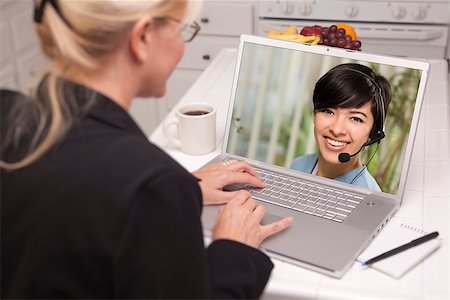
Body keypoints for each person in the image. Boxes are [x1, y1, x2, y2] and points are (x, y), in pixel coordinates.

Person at [0, 0, 292, 298]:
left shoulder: (6, 112)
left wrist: (180, 190)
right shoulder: (151, 183)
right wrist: (234, 249)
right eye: (181, 31)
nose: (181, 46)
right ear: (142, 37)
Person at [290, 63, 392, 192]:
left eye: (356, 118)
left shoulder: (369, 197)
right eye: (328, 111)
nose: (337, 130)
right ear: (315, 115)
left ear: (374, 132)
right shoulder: (298, 165)